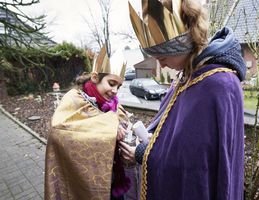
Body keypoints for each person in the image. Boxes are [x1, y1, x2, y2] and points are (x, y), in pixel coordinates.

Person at [119, 0, 246, 199]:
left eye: (162, 57)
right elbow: (176, 136)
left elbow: (198, 164)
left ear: (183, 42)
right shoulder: (187, 76)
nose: (162, 65)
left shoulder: (219, 84)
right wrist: (152, 138)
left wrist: (144, 153)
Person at [45, 47, 132, 200]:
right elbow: (59, 130)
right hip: (84, 179)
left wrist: (124, 129)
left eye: (119, 86)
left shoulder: (113, 104)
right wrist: (110, 129)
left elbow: (122, 121)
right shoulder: (74, 98)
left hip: (113, 177)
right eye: (111, 83)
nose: (115, 90)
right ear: (94, 77)